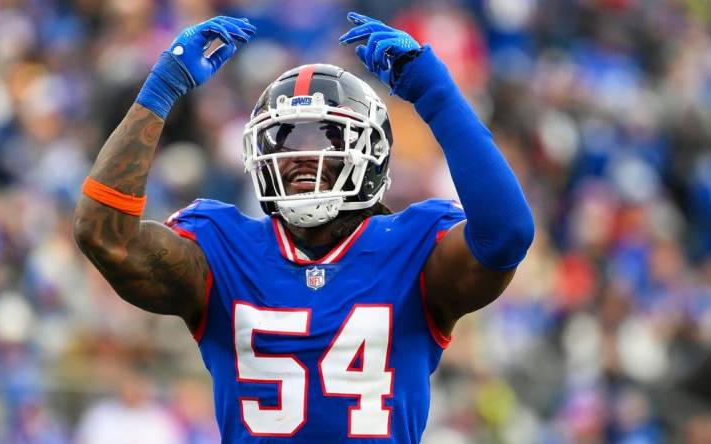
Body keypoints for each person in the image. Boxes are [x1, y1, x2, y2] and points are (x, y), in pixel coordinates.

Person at [73, 11, 534, 443]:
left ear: (370, 153)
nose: (298, 155)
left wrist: (436, 94)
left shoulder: (413, 246)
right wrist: (162, 90)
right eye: (284, 138)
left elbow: (507, 233)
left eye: (325, 138)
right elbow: (103, 236)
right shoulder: (221, 247)